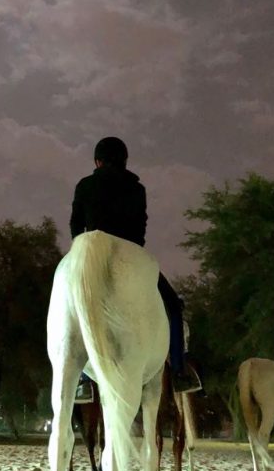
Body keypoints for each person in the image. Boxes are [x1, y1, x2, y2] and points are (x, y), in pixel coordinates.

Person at [70, 136, 201, 396]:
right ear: (124, 161)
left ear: (97, 161)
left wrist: (83, 253)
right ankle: (178, 370)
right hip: (129, 254)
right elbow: (140, 230)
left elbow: (76, 226)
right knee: (173, 307)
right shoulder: (136, 188)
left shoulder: (85, 185)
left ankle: (83, 379)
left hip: (90, 254)